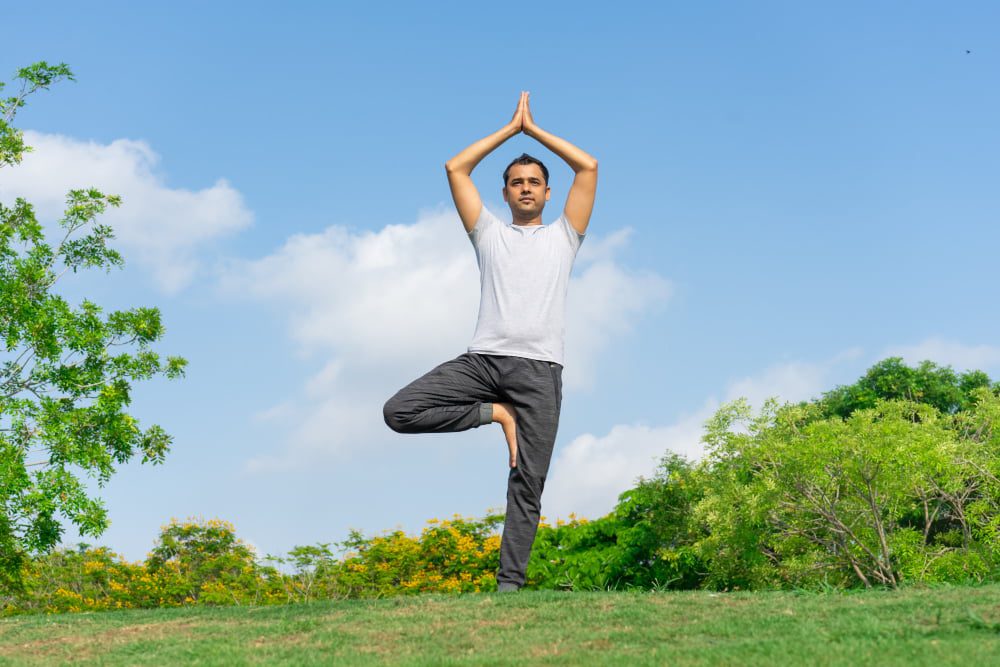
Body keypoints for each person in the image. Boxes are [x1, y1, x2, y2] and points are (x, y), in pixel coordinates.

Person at [382, 91, 598, 591]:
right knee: (398, 411)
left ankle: (508, 590)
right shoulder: (488, 234)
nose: (525, 189)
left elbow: (587, 167)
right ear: (504, 194)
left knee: (527, 482)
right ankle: (495, 413)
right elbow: (456, 167)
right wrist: (509, 130)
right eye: (517, 183)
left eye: (534, 183)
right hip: (483, 363)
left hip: (540, 373)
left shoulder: (565, 236)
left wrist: (534, 130)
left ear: (547, 193)